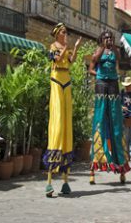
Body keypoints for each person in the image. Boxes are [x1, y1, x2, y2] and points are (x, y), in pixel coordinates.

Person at [43, 23, 82, 198]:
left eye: (66, 32)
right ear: (57, 34)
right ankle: (49, 182)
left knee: (66, 124)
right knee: (57, 123)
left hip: (67, 80)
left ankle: (65, 181)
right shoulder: (53, 47)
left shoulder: (64, 46)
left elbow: (71, 61)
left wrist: (75, 48)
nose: (65, 34)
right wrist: (67, 47)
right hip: (57, 79)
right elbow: (57, 59)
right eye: (63, 32)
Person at [88, 30, 129, 185]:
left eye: (111, 38)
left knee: (116, 123)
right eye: (106, 38)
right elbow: (91, 67)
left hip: (113, 85)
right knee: (99, 120)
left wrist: (115, 48)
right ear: (101, 39)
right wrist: (99, 74)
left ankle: (120, 165)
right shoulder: (98, 51)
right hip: (101, 85)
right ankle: (95, 164)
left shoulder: (114, 51)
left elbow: (121, 61)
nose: (109, 40)